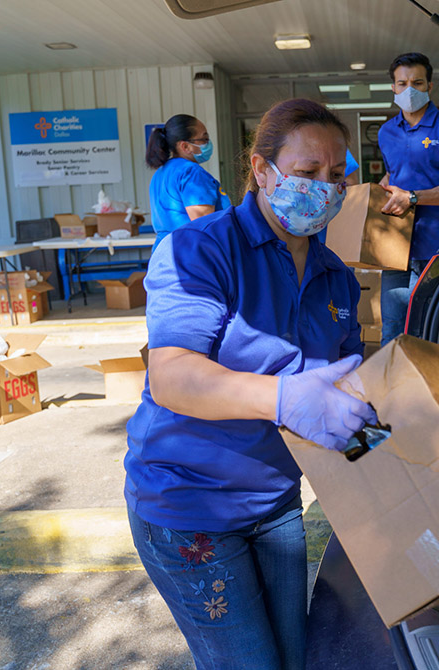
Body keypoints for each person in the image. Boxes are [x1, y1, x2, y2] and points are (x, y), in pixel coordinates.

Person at [125, 99, 377, 670]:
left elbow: (348, 399)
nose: (325, 188)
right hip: (190, 503)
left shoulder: (335, 277)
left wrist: (395, 463)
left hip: (274, 503)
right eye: (308, 173)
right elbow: (172, 377)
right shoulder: (201, 250)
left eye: (336, 176)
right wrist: (285, 398)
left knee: (296, 658)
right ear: (263, 171)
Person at [377, 52, 439, 344]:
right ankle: (389, 388)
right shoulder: (386, 132)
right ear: (393, 88)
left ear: (430, 86)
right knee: (392, 329)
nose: (409, 90)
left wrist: (413, 197)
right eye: (401, 83)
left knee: (424, 331)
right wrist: (370, 197)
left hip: (437, 246)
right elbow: (394, 176)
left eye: (417, 83)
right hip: (396, 245)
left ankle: (424, 389)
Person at [146, 114, 232, 252]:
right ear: (185, 146)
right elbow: (204, 224)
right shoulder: (191, 173)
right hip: (189, 254)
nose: (208, 143)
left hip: (165, 252)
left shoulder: (161, 173)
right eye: (204, 139)